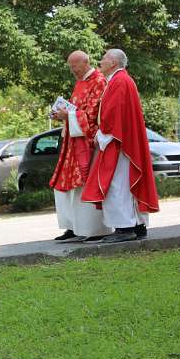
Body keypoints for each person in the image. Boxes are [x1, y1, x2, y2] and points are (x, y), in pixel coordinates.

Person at [81, 49, 159, 242]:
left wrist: (103, 133)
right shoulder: (122, 80)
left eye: (105, 58)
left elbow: (113, 112)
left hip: (118, 142)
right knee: (126, 184)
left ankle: (125, 228)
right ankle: (138, 225)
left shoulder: (119, 81)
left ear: (114, 62)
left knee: (117, 185)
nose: (100, 61)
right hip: (125, 141)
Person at [48, 51, 109, 243]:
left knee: (84, 183)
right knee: (66, 185)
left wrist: (69, 116)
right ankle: (74, 226)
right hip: (73, 142)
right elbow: (77, 110)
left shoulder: (99, 81)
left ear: (86, 62)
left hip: (87, 143)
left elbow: (93, 115)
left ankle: (94, 228)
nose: (72, 70)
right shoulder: (80, 82)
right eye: (70, 66)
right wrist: (62, 115)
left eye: (75, 66)